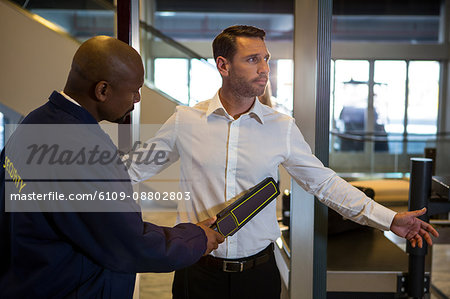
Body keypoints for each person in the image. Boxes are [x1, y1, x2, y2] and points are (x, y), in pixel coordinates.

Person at [125, 26, 439, 299]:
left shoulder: (281, 127)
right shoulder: (186, 121)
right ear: (223, 65)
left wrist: (389, 220)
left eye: (266, 59)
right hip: (198, 272)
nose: (265, 69)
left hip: (258, 276)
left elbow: (325, 183)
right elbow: (132, 170)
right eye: (252, 60)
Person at [0, 36, 224, 299]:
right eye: (134, 90)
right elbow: (128, 243)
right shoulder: (80, 150)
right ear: (103, 90)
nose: (138, 98)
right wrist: (195, 239)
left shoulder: (33, 122)